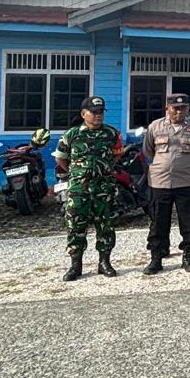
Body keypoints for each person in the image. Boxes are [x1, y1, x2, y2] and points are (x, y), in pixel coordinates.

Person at [53, 95, 124, 281]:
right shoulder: (72, 134)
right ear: (84, 114)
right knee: (76, 225)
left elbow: (117, 155)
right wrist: (77, 173)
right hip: (79, 189)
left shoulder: (112, 134)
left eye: (101, 112)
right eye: (94, 112)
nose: (98, 116)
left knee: (106, 225)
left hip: (104, 188)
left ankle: (104, 262)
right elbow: (60, 158)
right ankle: (75, 265)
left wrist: (102, 169)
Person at [141, 93, 190, 275]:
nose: (179, 111)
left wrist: (184, 164)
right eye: (175, 108)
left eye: (183, 108)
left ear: (188, 109)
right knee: (158, 221)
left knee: (188, 220)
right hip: (159, 182)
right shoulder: (155, 126)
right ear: (167, 109)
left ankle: (188, 256)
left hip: (186, 181)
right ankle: (157, 257)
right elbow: (148, 150)